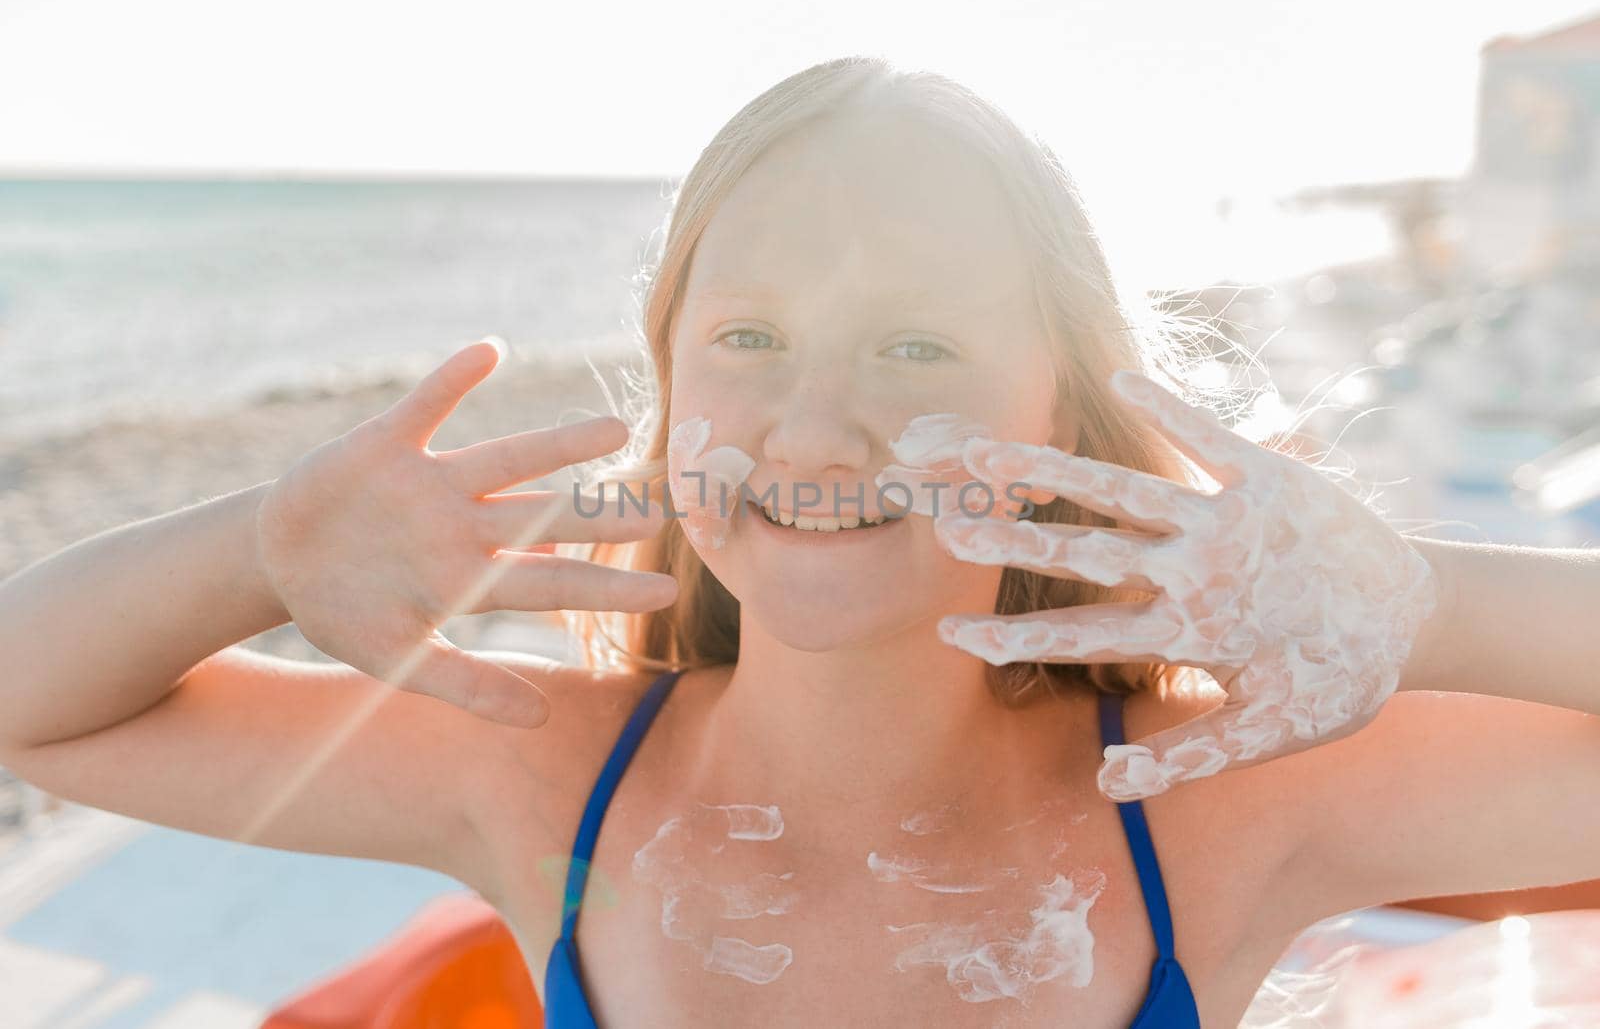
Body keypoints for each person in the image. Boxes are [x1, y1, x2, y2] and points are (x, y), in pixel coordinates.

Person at [2, 56, 1598, 1028]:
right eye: (753, 337)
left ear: (1062, 404)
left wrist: (1424, 605)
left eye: (915, 349)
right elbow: (33, 703)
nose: (815, 431)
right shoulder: (538, 773)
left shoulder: (1213, 808)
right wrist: (266, 553)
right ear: (668, 373)